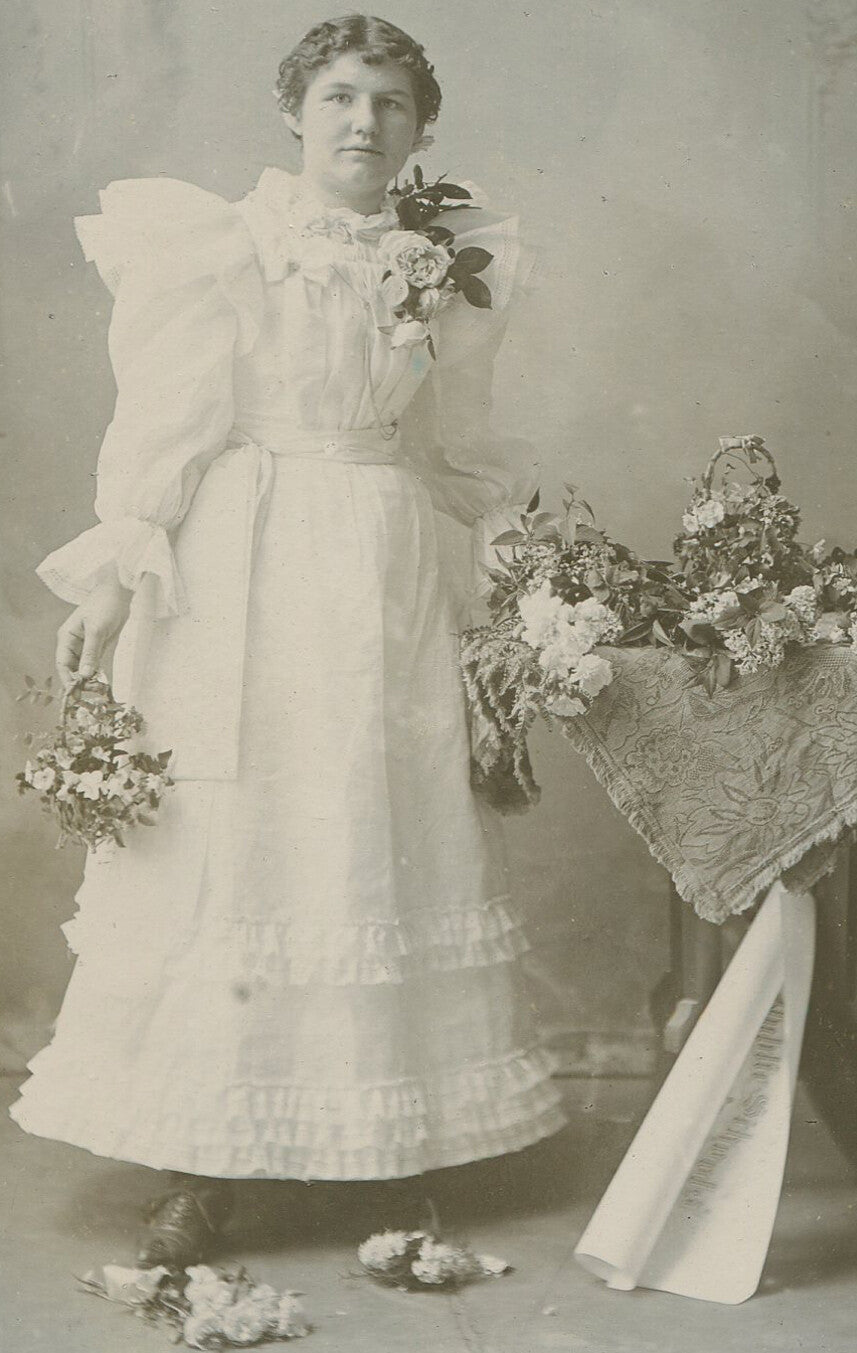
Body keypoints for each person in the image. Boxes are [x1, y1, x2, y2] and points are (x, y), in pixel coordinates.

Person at [11, 14, 565, 1267]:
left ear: (421, 132)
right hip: (239, 567)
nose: (361, 124)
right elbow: (170, 417)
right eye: (337, 99)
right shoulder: (229, 244)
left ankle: (378, 1145)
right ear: (295, 115)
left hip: (380, 558)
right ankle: (196, 1163)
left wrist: (514, 562)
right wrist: (112, 576)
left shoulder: (445, 259)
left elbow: (458, 438)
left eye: (388, 105)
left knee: (370, 836)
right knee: (236, 839)